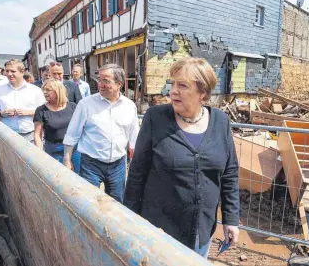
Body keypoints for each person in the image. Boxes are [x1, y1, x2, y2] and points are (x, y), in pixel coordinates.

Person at [124, 57, 240, 259]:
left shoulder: (221, 122)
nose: (173, 91)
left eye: (183, 86)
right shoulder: (155, 118)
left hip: (200, 231)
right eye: (173, 84)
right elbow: (137, 173)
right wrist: (129, 220)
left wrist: (231, 219)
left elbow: (229, 173)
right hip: (159, 231)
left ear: (202, 92)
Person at [63, 64, 139, 202]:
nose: (100, 84)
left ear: (119, 84)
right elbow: (72, 133)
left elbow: (133, 135)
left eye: (106, 81)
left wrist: (134, 160)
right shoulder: (85, 104)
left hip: (118, 165)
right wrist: (67, 160)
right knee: (89, 202)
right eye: (99, 80)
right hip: (91, 164)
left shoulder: (129, 106)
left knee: (117, 203)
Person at [0, 59, 45, 143]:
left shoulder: (35, 90)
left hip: (31, 135)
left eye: (13, 71)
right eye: (7, 71)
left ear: (22, 72)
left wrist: (27, 112)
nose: (9, 74)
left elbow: (44, 111)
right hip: (7, 135)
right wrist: (1, 114)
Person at [34, 79, 81, 173]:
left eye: (48, 90)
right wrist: (40, 154)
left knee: (78, 176)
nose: (45, 92)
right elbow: (37, 135)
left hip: (74, 148)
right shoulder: (41, 110)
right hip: (54, 150)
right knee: (59, 176)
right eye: (43, 89)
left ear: (58, 91)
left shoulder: (72, 106)